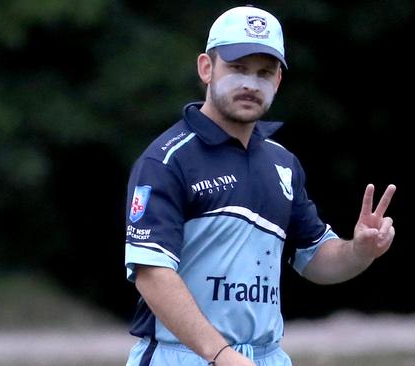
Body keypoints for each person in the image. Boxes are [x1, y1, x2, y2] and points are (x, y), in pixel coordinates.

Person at [123, 5, 396, 366]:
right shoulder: (168, 160)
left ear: (278, 81)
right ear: (207, 68)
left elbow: (315, 259)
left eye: (264, 73)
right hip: (187, 356)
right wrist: (221, 355)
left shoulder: (283, 164)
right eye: (237, 69)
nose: (251, 84)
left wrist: (360, 250)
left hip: (266, 357)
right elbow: (152, 274)